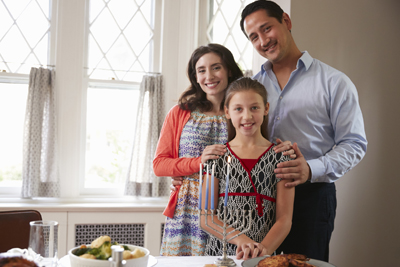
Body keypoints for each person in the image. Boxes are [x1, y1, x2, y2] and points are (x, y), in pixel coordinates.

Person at [240, 0, 368, 262]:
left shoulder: (334, 82)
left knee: (304, 264)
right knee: (256, 263)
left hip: (312, 196)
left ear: (286, 21)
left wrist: (310, 169)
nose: (263, 41)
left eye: (267, 29)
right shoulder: (252, 85)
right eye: (254, 36)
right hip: (258, 196)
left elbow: (354, 144)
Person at [153, 43, 295, 256]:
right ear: (195, 76)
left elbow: (259, 145)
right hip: (189, 208)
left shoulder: (243, 112)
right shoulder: (181, 112)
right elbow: (159, 164)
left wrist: (284, 148)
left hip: (229, 210)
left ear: (229, 69)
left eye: (216, 67)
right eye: (201, 70)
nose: (209, 76)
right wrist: (197, 164)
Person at [200, 77, 295, 260]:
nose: (247, 116)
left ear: (266, 109)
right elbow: (206, 217)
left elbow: (284, 219)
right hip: (221, 255)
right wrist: (242, 240)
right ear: (227, 112)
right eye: (238, 109)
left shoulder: (282, 157)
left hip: (263, 256)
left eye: (254, 108)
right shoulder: (216, 157)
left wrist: (262, 250)